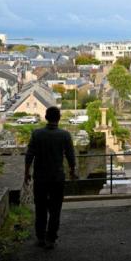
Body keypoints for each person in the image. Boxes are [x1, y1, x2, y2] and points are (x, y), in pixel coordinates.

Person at [24, 106, 76, 249]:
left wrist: (26, 172)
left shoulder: (37, 134)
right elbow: (70, 156)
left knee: (40, 208)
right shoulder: (65, 135)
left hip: (40, 177)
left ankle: (40, 237)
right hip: (57, 177)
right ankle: (51, 238)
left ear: (46, 117)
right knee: (55, 209)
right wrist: (72, 171)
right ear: (59, 118)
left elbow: (29, 155)